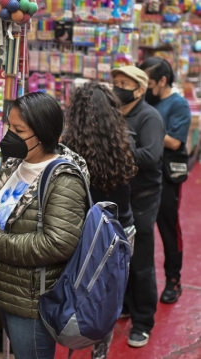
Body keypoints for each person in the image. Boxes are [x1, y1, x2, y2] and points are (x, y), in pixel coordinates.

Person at [0, 92, 88, 359]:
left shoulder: (63, 179)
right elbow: (8, 202)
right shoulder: (16, 163)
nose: (10, 135)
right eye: (10, 126)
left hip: (32, 300)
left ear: (42, 133)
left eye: (18, 130)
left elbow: (59, 243)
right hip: (7, 289)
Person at [63, 81, 138, 359]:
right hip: (121, 229)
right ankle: (100, 349)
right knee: (108, 293)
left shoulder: (69, 147)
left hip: (87, 232)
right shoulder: (125, 141)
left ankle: (70, 334)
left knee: (78, 287)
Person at [111, 66, 166, 348]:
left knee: (142, 262)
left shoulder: (149, 117)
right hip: (121, 197)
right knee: (121, 257)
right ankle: (127, 305)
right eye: (116, 82)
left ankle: (143, 321)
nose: (118, 87)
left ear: (141, 88)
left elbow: (151, 155)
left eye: (125, 83)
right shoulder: (115, 114)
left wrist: (116, 151)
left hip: (143, 199)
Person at [139, 57, 192, 304]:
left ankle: (174, 280)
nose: (145, 88)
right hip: (146, 175)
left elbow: (176, 142)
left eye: (148, 83)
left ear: (162, 81)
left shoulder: (178, 104)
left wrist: (147, 131)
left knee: (169, 228)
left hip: (168, 176)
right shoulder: (147, 101)